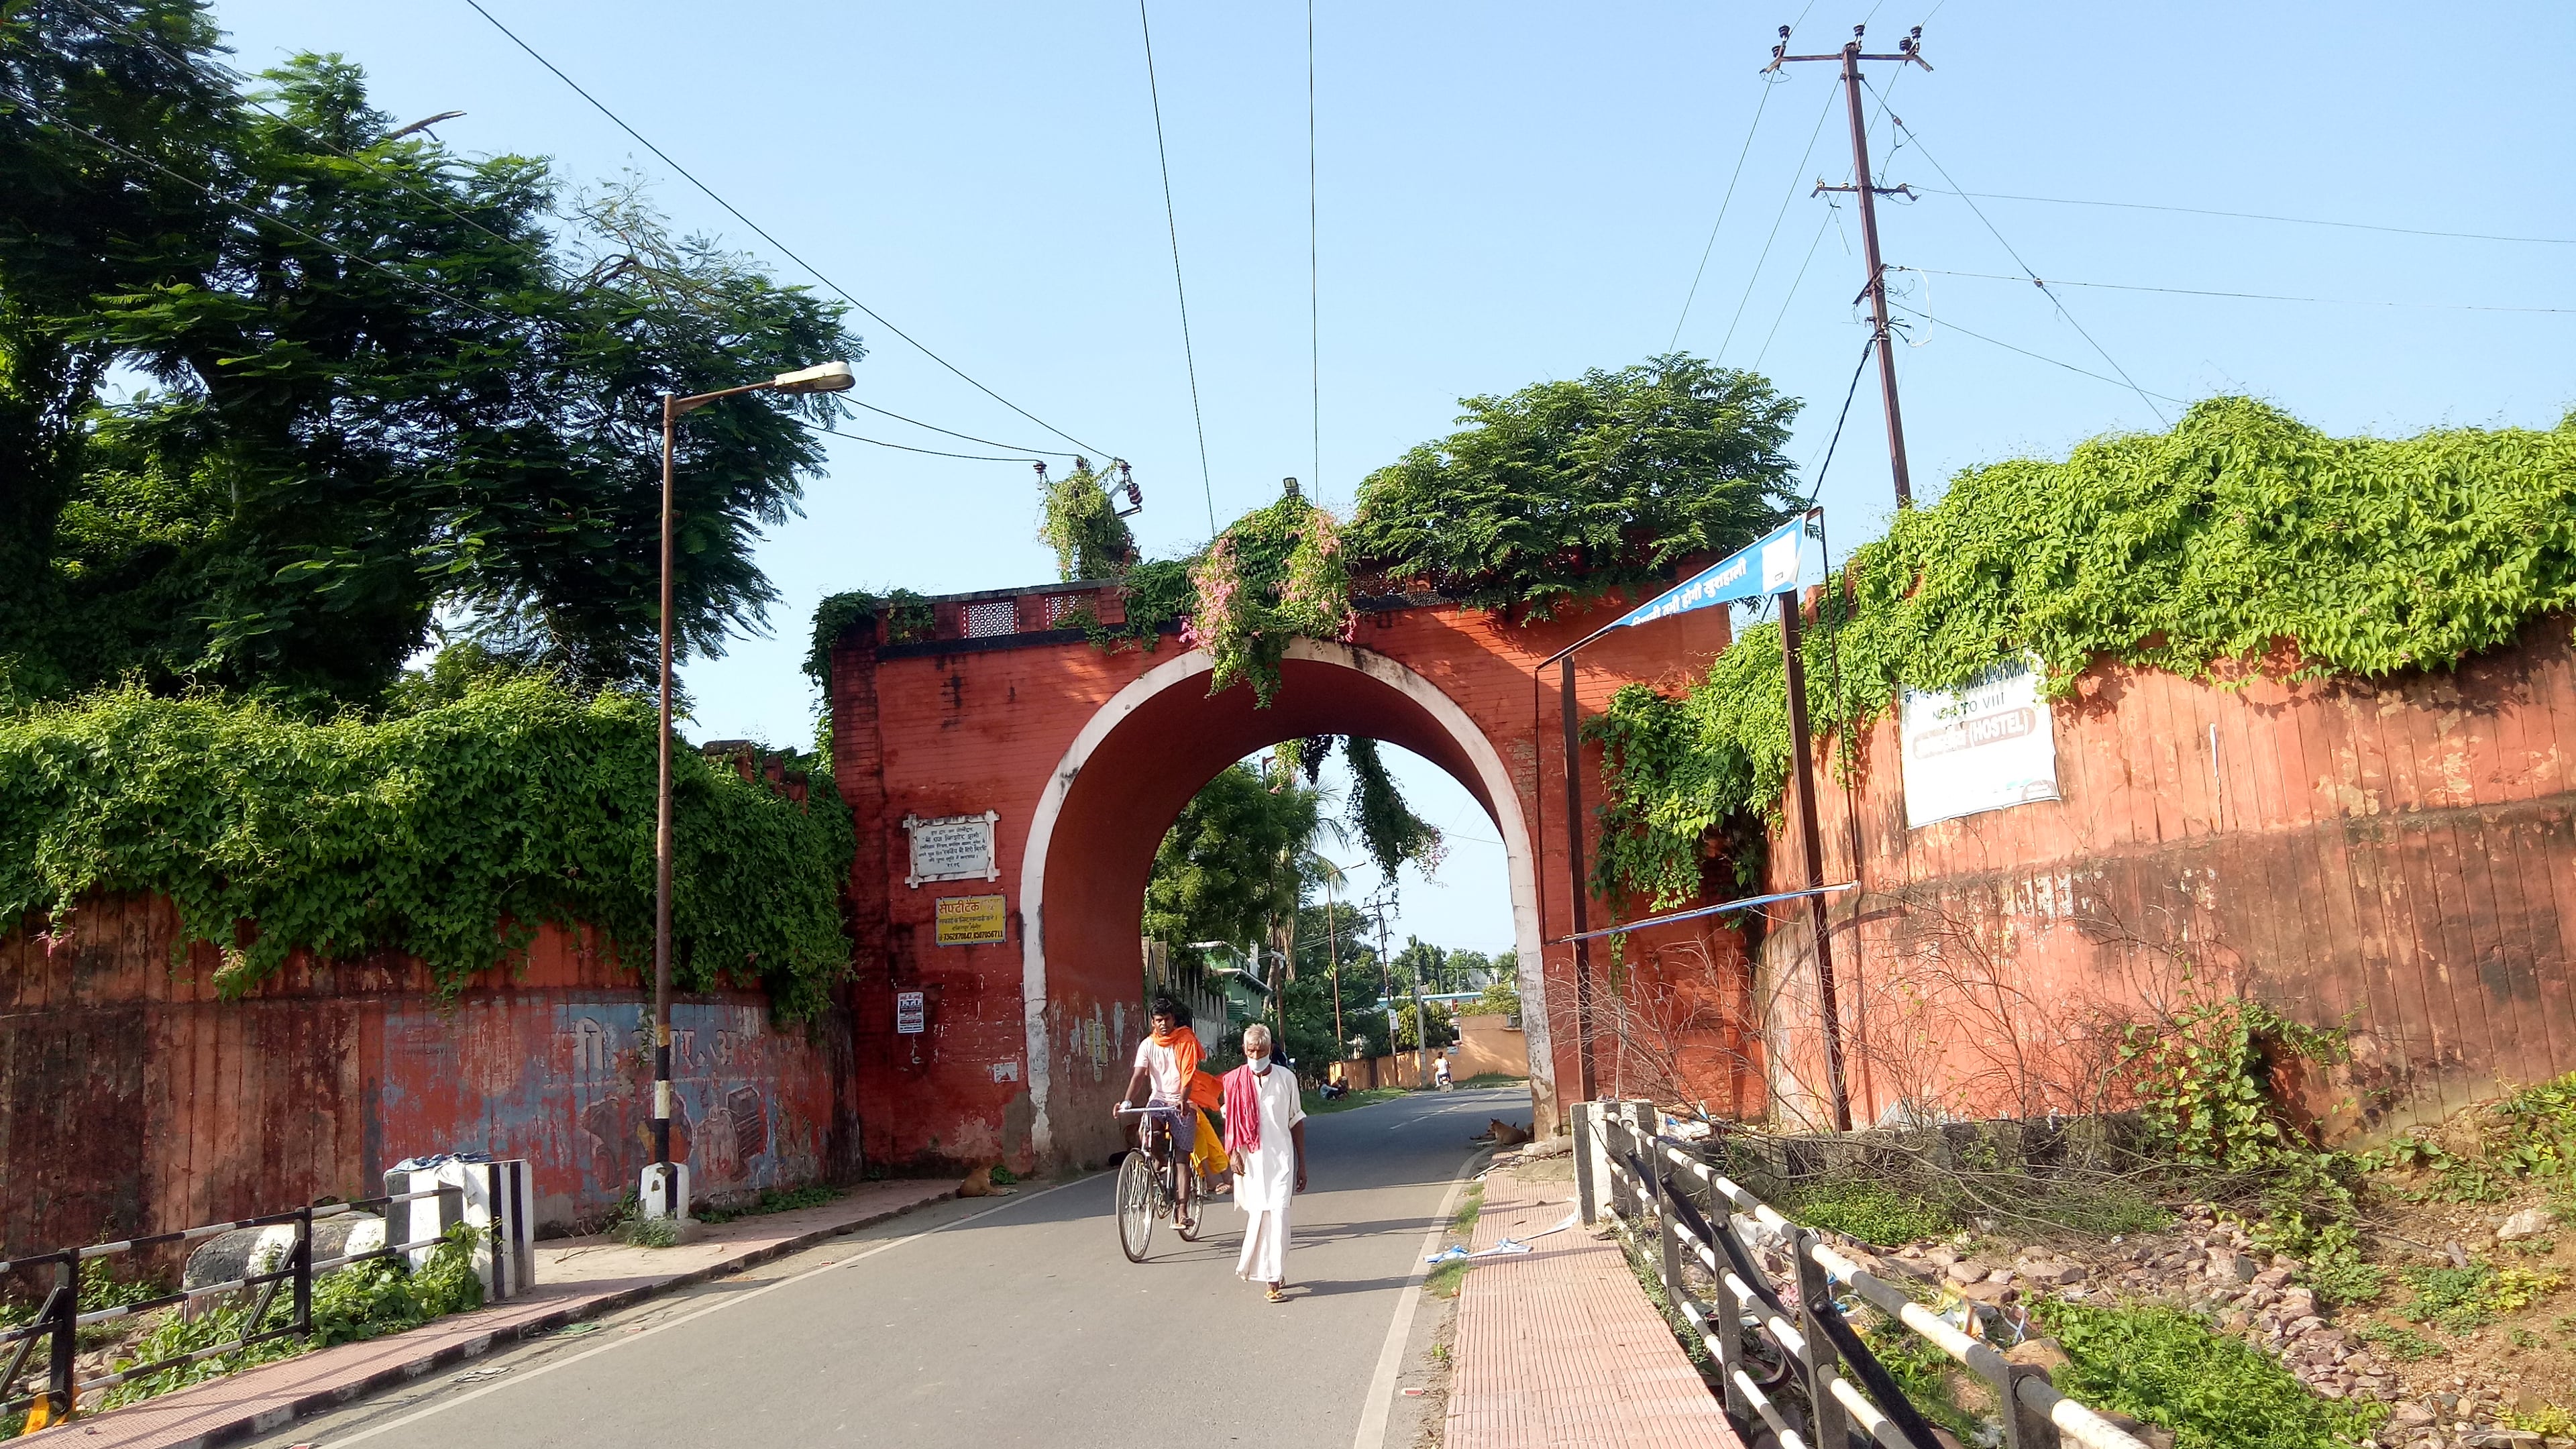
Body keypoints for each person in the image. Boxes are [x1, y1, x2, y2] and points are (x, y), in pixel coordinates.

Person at [1221, 1022, 1307, 1303]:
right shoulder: (1234, 1081)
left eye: (1260, 1050)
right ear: (1244, 1050)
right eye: (1250, 1050)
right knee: (1260, 1216)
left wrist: (1302, 1163)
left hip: (1281, 1158)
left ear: (1270, 1049)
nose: (1255, 1055)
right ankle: (1270, 1271)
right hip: (1251, 1161)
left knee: (1280, 1216)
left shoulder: (1286, 1079)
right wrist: (1233, 1154)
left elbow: (1295, 1120)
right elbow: (1232, 1122)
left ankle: (1273, 1278)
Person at [1116, 998, 1227, 1187]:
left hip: (1185, 1100)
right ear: (1153, 1022)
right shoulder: (1147, 1045)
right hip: (1158, 1101)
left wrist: (1183, 1100)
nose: (1163, 1024)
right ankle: (1162, 1160)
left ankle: (1208, 1183)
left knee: (1196, 1139)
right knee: (1146, 1134)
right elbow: (1138, 1076)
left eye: (1166, 1019)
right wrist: (1126, 1102)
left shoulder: (1185, 1041)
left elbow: (1188, 1074)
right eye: (1159, 1020)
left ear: (1173, 1020)